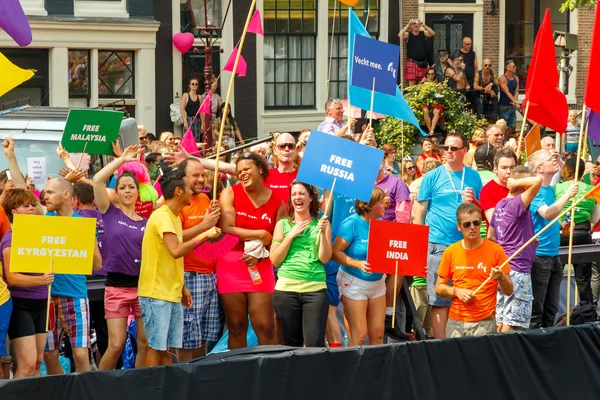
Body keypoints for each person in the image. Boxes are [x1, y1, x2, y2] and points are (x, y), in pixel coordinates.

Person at [138, 169, 220, 367]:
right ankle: (152, 390)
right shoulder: (162, 216)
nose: (192, 189)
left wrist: (182, 287)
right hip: (156, 294)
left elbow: (171, 257)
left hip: (171, 293)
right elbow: (175, 250)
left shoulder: (173, 217)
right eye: (188, 186)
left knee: (169, 349)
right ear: (178, 191)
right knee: (156, 348)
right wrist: (204, 235)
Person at [414, 132, 483, 339]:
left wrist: (473, 202)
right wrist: (420, 248)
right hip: (438, 244)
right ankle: (441, 345)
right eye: (446, 148)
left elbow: (481, 212)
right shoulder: (432, 176)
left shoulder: (473, 176)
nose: (448, 152)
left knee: (467, 295)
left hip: (467, 245)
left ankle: (463, 341)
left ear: (464, 151)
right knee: (439, 299)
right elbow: (419, 213)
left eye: (454, 148)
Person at [217, 152, 286, 349]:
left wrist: (265, 244)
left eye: (247, 169)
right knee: (236, 325)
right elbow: (227, 229)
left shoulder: (277, 201)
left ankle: (269, 371)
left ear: (261, 170)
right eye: (239, 171)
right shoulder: (230, 193)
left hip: (261, 264)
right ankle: (239, 373)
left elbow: (278, 238)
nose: (242, 174)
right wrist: (261, 234)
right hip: (231, 266)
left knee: (265, 326)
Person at [91, 145, 149, 370]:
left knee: (143, 344)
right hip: (115, 287)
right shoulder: (109, 212)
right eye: (122, 187)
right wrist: (122, 159)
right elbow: (96, 180)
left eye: (131, 187)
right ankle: (100, 386)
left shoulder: (146, 222)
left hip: (142, 288)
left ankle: (138, 384)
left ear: (138, 191)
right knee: (116, 344)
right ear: (116, 191)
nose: (126, 190)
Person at [42, 178, 103, 374]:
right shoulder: (45, 218)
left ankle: (83, 393)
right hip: (48, 297)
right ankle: (62, 392)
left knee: (80, 354)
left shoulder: (82, 224)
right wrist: (11, 158)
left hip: (75, 295)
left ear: (66, 195)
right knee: (49, 355)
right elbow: (20, 190)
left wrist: (87, 237)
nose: (45, 196)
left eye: (50, 192)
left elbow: (97, 264)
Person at [435, 203, 512, 338]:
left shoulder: (496, 250)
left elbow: (509, 290)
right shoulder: (451, 251)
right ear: (459, 226)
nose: (472, 228)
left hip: (485, 323)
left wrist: (501, 278)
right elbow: (439, 288)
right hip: (456, 323)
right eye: (467, 224)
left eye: (476, 223)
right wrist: (456, 291)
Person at [270, 181, 332, 347]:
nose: (297, 197)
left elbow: (325, 258)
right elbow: (275, 259)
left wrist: (323, 232)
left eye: (302, 194)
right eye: (294, 194)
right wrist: (291, 235)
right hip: (286, 291)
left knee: (314, 345)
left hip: (315, 290)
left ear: (310, 198)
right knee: (292, 345)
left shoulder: (322, 223)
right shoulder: (282, 224)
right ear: (290, 199)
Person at [175, 158, 221, 361]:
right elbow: (173, 239)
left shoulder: (207, 200)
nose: (201, 179)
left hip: (210, 277)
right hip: (188, 277)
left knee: (204, 336)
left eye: (203, 175)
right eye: (196, 175)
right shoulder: (177, 204)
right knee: (186, 339)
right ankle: (186, 381)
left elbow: (215, 236)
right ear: (182, 178)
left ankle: (198, 378)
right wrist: (204, 226)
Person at [1, 189, 51, 378]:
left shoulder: (37, 234)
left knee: (37, 363)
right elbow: (11, 278)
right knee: (27, 365)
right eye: (26, 205)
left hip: (42, 302)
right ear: (13, 211)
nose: (31, 208)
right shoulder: (10, 239)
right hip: (21, 305)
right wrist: (41, 280)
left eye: (33, 204)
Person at [527, 150, 578, 329]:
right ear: (539, 168)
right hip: (539, 256)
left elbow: (550, 217)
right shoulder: (534, 189)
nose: (555, 161)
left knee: (551, 309)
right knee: (537, 310)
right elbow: (547, 213)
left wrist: (561, 225)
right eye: (550, 159)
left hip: (553, 254)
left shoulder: (549, 189)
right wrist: (567, 195)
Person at [489, 166, 542, 332]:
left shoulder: (500, 205)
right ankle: (507, 357)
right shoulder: (516, 204)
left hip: (505, 268)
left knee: (502, 318)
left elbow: (491, 236)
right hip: (518, 269)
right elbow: (538, 181)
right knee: (514, 324)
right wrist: (516, 182)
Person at [333, 187, 387, 346]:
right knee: (359, 335)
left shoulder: (381, 223)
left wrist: (410, 266)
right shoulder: (351, 224)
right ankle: (354, 370)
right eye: (381, 203)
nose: (385, 205)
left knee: (378, 334)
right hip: (354, 282)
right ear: (370, 206)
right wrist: (357, 263)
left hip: (377, 283)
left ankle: (376, 370)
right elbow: (335, 252)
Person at [555, 157, 600, 305]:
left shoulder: (557, 188)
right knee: (583, 281)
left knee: (554, 278)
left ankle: (549, 317)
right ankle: (587, 313)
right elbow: (595, 218)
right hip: (582, 235)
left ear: (566, 169)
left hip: (561, 235)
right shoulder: (591, 190)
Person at [375, 162, 411, 338]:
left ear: (382, 162)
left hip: (390, 237)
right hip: (366, 236)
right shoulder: (361, 183)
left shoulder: (396, 183)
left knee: (399, 267)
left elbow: (404, 216)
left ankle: (388, 316)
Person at [480, 148, 517, 238]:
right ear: (495, 169)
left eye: (512, 167)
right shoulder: (488, 190)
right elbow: (497, 222)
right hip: (499, 243)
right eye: (504, 168)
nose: (509, 171)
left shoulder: (520, 187)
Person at [264, 132, 299, 206]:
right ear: (275, 150)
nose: (286, 149)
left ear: (295, 150)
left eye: (291, 146)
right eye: (282, 146)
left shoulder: (303, 177)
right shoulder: (265, 175)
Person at [399, 18, 435, 87]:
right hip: (412, 62)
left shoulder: (423, 33)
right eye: (414, 24)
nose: (416, 25)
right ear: (411, 25)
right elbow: (400, 35)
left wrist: (424, 25)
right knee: (412, 87)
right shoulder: (408, 35)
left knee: (422, 85)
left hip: (423, 63)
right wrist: (408, 24)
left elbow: (432, 33)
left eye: (417, 24)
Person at [498, 60, 521, 130]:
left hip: (512, 106)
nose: (515, 68)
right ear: (508, 68)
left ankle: (505, 139)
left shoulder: (516, 78)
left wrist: (514, 101)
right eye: (513, 66)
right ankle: (502, 139)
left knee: (512, 125)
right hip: (504, 106)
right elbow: (507, 92)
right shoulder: (502, 78)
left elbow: (516, 91)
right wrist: (516, 102)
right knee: (503, 126)